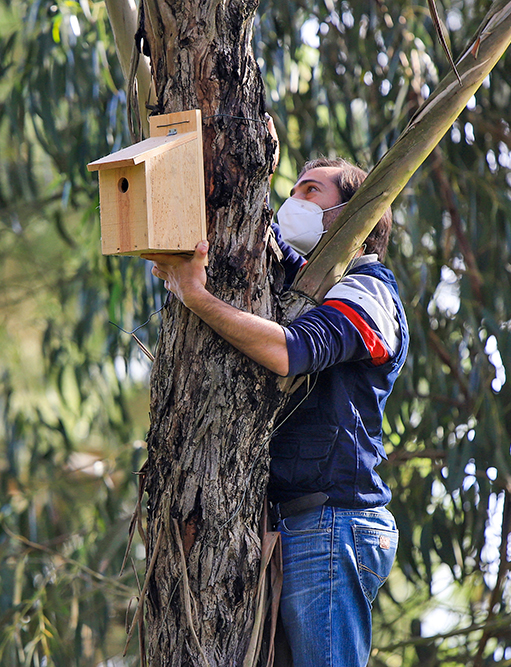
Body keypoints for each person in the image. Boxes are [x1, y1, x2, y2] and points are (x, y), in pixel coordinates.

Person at [143, 157, 409, 667]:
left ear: (354, 215)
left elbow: (291, 350)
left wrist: (195, 295)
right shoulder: (317, 282)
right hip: (302, 525)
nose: (294, 202)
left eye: (310, 191)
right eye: (292, 191)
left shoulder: (368, 291)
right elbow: (274, 248)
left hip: (332, 523)